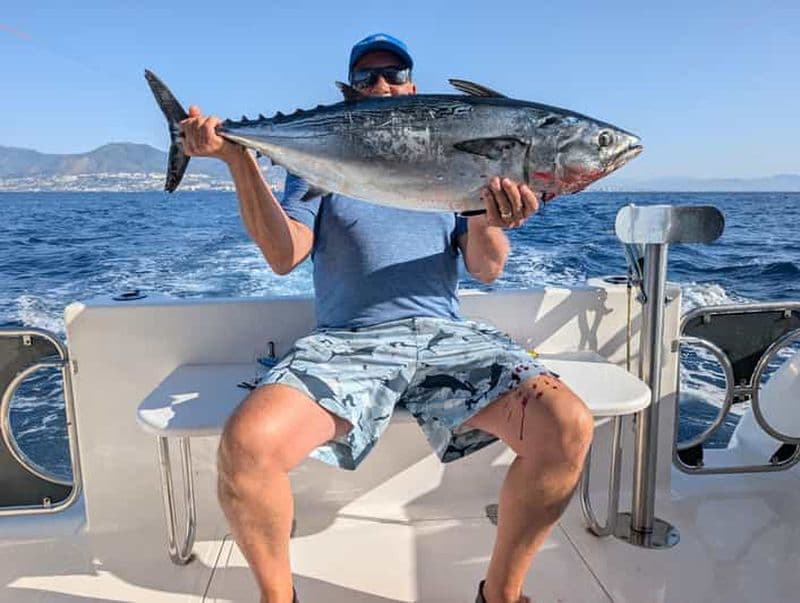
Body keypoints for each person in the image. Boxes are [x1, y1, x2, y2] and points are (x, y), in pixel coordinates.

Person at [179, 33, 594, 603]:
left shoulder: (455, 166)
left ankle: (499, 596)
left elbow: (487, 269)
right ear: (350, 93)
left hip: (446, 338)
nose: (382, 85)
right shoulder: (318, 166)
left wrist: (490, 215)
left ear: (413, 88)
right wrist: (238, 160)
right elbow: (283, 257)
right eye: (368, 77)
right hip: (348, 344)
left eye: (394, 74)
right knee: (246, 445)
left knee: (567, 426)